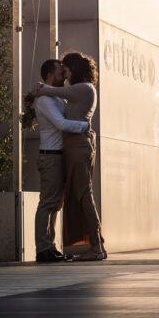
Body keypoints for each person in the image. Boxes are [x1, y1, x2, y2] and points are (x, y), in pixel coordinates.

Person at [33, 51, 105, 261]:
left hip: (76, 146)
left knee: (82, 195)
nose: (64, 76)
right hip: (68, 148)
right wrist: (37, 98)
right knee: (62, 200)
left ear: (74, 69)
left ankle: (96, 246)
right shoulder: (69, 94)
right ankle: (92, 245)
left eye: (65, 71)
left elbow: (58, 103)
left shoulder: (80, 89)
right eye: (61, 72)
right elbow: (59, 119)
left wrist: (40, 89)